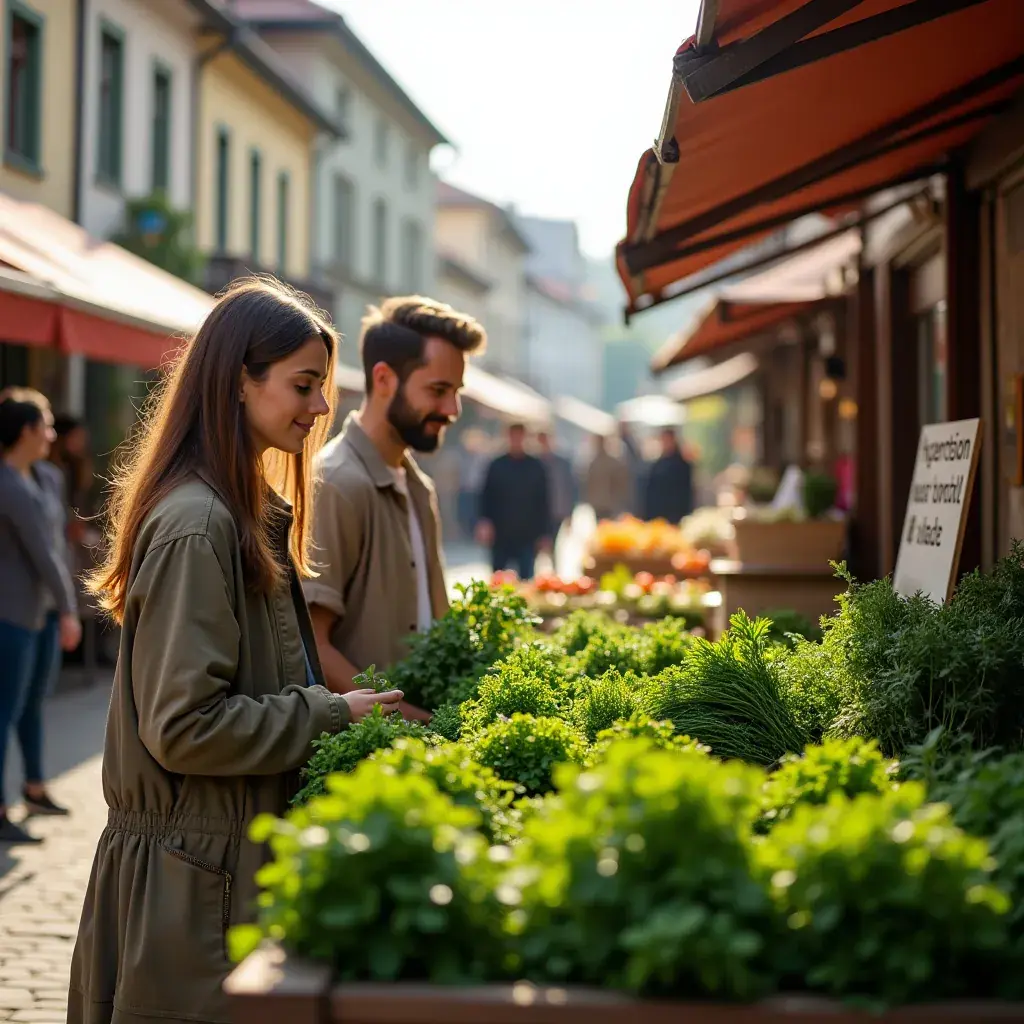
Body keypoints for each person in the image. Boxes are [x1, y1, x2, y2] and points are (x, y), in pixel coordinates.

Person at [68, 279, 402, 1024]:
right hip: (191, 892)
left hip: (210, 875)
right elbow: (185, 726)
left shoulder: (236, 511)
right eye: (304, 385)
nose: (321, 409)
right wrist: (331, 713)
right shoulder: (200, 524)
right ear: (239, 383)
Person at [304, 296, 487, 723]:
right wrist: (407, 717)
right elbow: (312, 643)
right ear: (384, 378)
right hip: (367, 756)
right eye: (438, 391)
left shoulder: (418, 486)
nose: (452, 410)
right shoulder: (335, 482)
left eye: (456, 392)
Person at [0, 389, 82, 844]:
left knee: (33, 706)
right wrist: (70, 609)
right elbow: (41, 553)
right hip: (10, 613)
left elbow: (59, 545)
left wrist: (61, 607)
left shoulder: (49, 477)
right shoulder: (6, 484)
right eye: (46, 425)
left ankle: (34, 788)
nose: (52, 433)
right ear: (27, 431)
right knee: (4, 711)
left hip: (44, 611)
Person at [476, 423, 551, 580]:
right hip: (501, 532)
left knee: (526, 580)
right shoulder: (496, 465)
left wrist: (545, 533)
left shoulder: (536, 466)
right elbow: (486, 495)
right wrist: (484, 522)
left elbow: (543, 501)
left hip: (527, 534)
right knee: (498, 580)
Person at [643, 427, 695, 523]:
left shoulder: (683, 465)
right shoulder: (657, 464)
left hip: (677, 513)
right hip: (659, 513)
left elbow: (687, 492)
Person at [536, 430, 578, 541]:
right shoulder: (533, 463)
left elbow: (570, 489)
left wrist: (570, 513)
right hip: (537, 513)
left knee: (552, 541)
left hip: (556, 511)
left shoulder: (562, 463)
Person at [584, 432, 632, 521]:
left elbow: (621, 484)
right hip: (598, 504)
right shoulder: (593, 463)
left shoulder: (612, 462)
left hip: (610, 504)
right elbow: (588, 484)